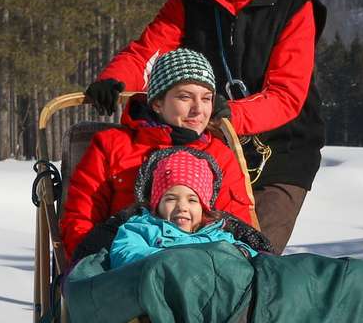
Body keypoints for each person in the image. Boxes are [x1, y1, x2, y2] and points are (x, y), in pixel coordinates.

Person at [84, 0, 327, 249]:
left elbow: (286, 96)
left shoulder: (295, 4)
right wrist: (114, 78)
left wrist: (227, 114)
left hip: (282, 151)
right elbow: (148, 52)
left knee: (253, 252)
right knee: (185, 245)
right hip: (207, 145)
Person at [59, 48, 257, 262]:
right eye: (185, 97)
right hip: (124, 267)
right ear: (157, 103)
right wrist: (95, 267)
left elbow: (237, 227)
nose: (198, 109)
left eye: (206, 98)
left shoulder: (219, 155)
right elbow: (80, 221)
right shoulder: (112, 146)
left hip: (203, 271)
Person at [105, 147, 259, 270]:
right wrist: (170, 259)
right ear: (156, 204)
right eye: (171, 199)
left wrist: (243, 254)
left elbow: (252, 257)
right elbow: (124, 253)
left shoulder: (215, 234)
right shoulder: (142, 228)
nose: (182, 207)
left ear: (203, 208)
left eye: (192, 200)